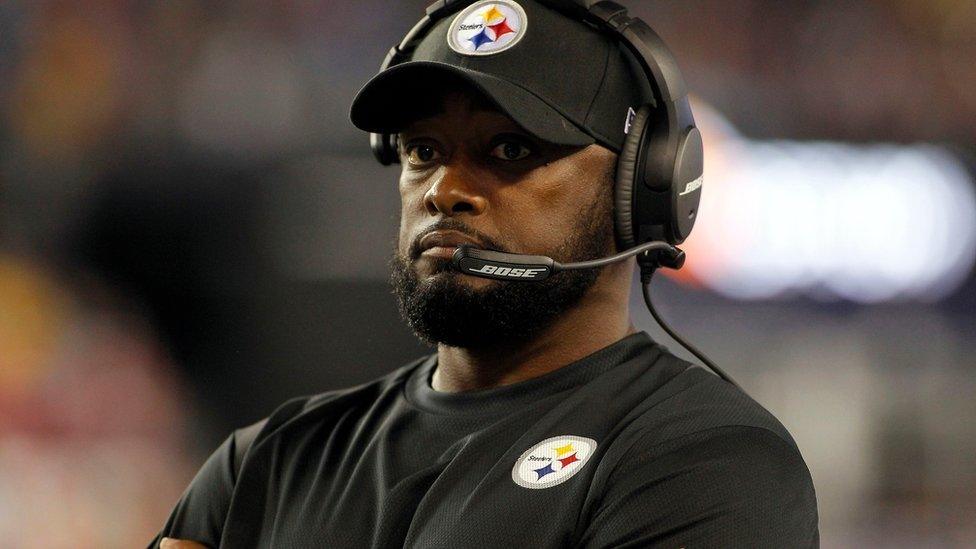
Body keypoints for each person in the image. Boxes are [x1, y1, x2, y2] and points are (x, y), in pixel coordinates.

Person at [150, 1, 819, 547]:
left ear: (644, 185)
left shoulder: (710, 462)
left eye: (510, 148)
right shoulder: (265, 463)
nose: (445, 188)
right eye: (423, 150)